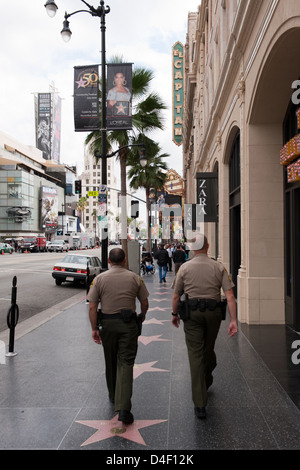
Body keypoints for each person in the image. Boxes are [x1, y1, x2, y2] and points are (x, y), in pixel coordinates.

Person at [171, 234, 237, 420]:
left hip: (192, 315)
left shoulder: (184, 268)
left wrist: (174, 315)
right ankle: (205, 380)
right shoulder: (218, 267)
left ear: (192, 248)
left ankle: (200, 403)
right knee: (208, 348)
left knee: (196, 354)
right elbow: (230, 295)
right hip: (214, 314)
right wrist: (233, 320)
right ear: (208, 246)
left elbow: (176, 296)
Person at [87, 248, 149, 425]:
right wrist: (142, 315)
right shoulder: (134, 277)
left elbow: (92, 306)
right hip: (128, 325)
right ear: (124, 260)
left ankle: (114, 394)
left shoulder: (99, 279)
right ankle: (123, 408)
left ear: (108, 260)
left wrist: (94, 329)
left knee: (110, 359)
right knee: (126, 362)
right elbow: (144, 302)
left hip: (107, 324)